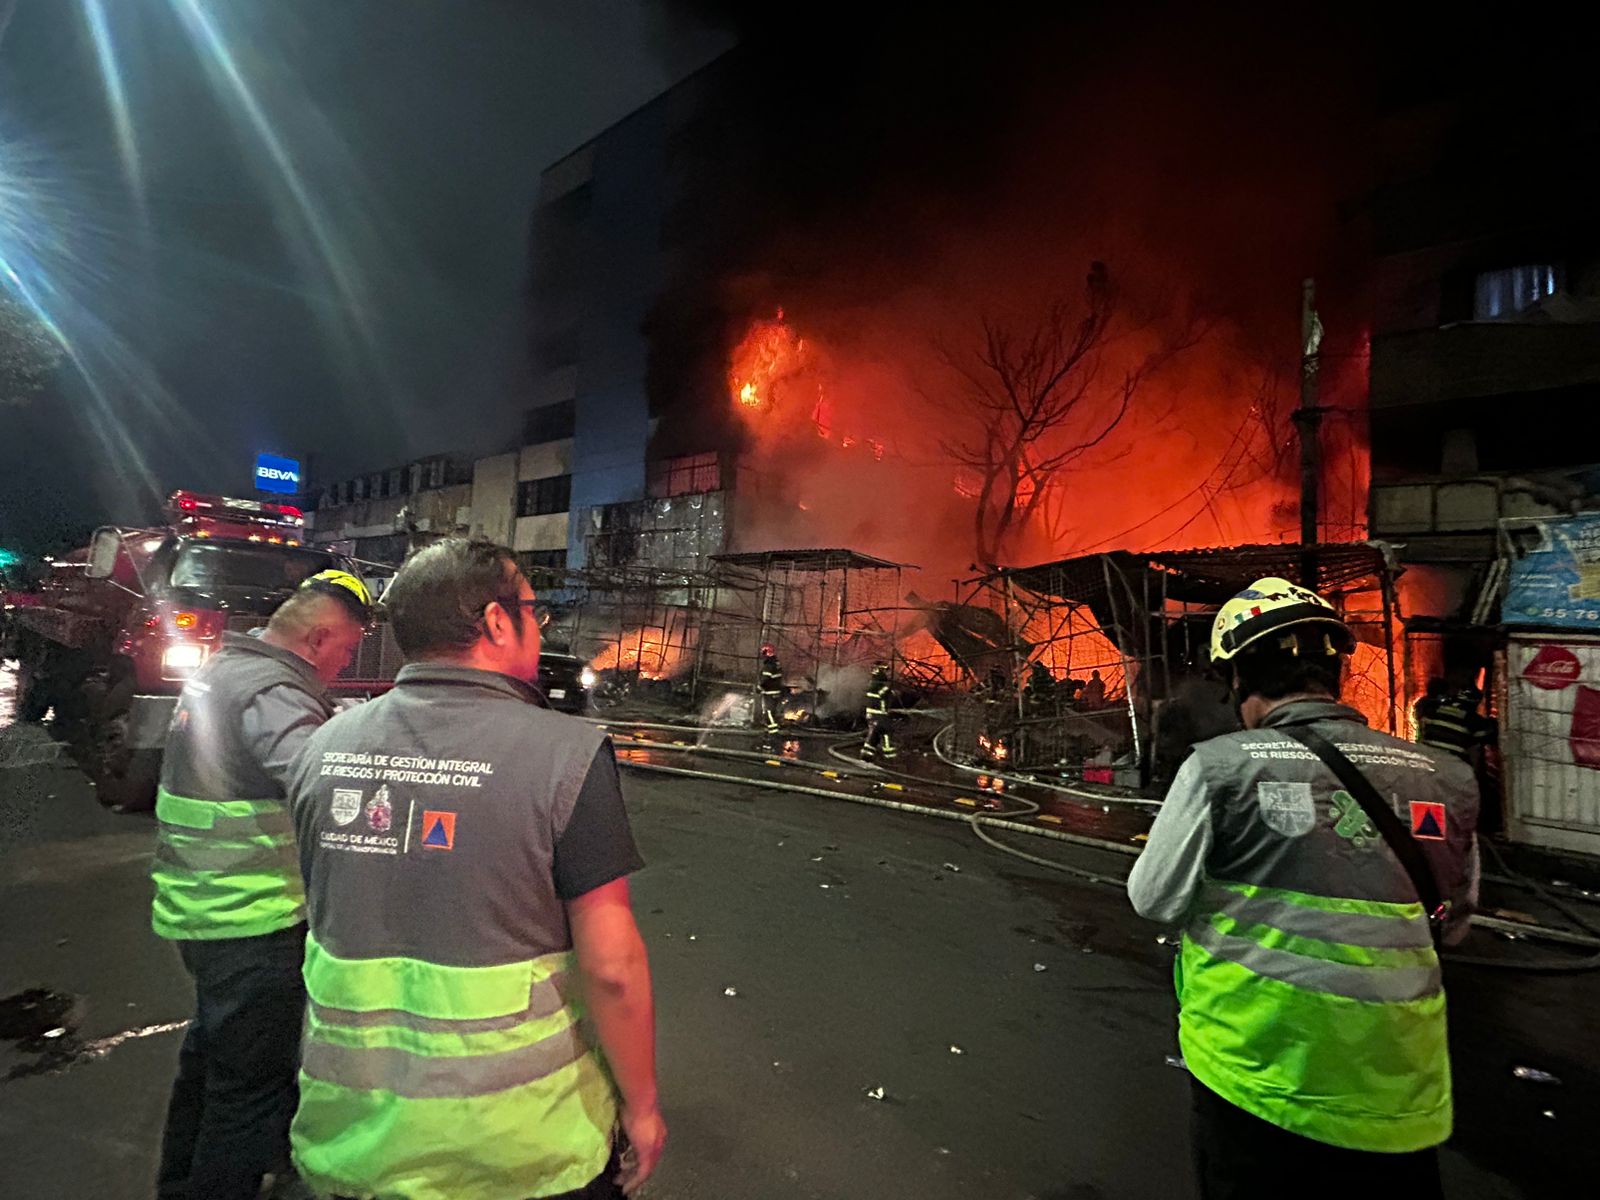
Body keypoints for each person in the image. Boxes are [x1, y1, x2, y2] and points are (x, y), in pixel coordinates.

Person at [285, 539, 664, 1200]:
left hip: (353, 1146)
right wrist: (643, 1106)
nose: (538, 626)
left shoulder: (322, 747)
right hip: (521, 1150)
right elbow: (612, 967)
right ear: (495, 621)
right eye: (531, 610)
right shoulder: (567, 756)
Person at [1127, 577, 1478, 1200]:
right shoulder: (1445, 778)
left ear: (1237, 679)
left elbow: (1153, 898)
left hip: (1253, 1074)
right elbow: (1451, 921)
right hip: (1398, 1093)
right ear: (1334, 675)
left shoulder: (1221, 767)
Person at [153, 569, 372, 1200]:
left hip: (202, 907)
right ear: (318, 637)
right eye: (347, 650)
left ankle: (178, 1185)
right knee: (248, 1093)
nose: (343, 662)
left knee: (210, 1064)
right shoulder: (274, 691)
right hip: (251, 915)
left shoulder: (223, 670)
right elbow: (325, 789)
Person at [1414, 677, 1496, 764]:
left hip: (1427, 758)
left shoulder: (1437, 709)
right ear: (1474, 703)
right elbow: (1488, 733)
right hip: (1451, 762)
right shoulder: (1470, 718)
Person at [861, 661, 896, 761]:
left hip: (872, 715)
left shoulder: (872, 683)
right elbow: (887, 695)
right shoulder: (880, 686)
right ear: (880, 671)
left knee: (874, 735)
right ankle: (890, 757)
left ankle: (866, 756)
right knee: (887, 732)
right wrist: (892, 692)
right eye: (885, 671)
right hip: (880, 715)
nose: (887, 673)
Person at [756, 641, 783, 735]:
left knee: (768, 713)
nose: (762, 656)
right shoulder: (776, 664)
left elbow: (765, 679)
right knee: (772, 713)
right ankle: (769, 732)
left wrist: (759, 688)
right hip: (775, 692)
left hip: (769, 693)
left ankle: (773, 734)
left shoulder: (769, 665)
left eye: (763, 653)